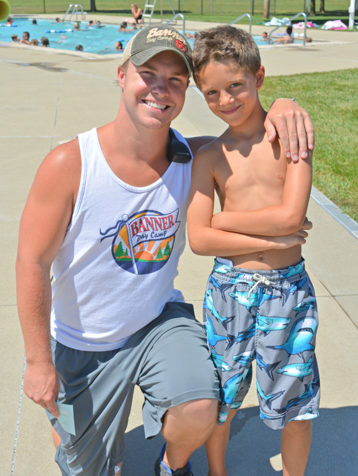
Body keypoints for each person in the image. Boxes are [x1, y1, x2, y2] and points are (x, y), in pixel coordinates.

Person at [16, 24, 314, 476]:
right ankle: (73, 428)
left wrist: (287, 107)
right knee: (85, 466)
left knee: (201, 404)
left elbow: (242, 141)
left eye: (175, 79)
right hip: (84, 343)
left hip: (158, 324)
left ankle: (172, 466)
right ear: (121, 74)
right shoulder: (70, 164)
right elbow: (31, 262)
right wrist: (38, 361)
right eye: (148, 73)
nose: (160, 89)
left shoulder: (189, 158)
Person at [187, 25, 320, 476]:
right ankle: (218, 472)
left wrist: (222, 220)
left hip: (288, 291)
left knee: (296, 401)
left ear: (259, 77)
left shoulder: (290, 139)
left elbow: (290, 217)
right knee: (222, 396)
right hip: (230, 290)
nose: (225, 100)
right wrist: (270, 237)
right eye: (211, 93)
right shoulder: (209, 157)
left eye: (236, 86)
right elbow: (199, 240)